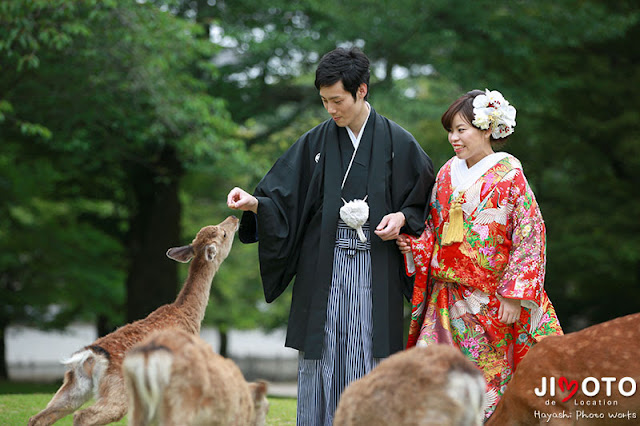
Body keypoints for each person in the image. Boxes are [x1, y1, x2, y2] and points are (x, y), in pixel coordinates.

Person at [227, 47, 434, 425]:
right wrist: (255, 204)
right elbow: (282, 195)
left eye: (337, 100)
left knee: (367, 351)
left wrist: (401, 217)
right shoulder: (316, 142)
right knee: (321, 353)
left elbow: (425, 201)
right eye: (324, 101)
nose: (331, 110)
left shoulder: (398, 143)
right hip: (323, 265)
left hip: (376, 265)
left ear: (362, 91)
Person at [397, 89, 563, 419]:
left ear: (487, 129)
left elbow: (530, 234)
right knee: (429, 373)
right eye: (451, 131)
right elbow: (434, 228)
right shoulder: (446, 174)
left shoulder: (510, 175)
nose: (453, 138)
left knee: (489, 381)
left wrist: (515, 296)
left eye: (461, 130)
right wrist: (415, 245)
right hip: (446, 297)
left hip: (493, 300)